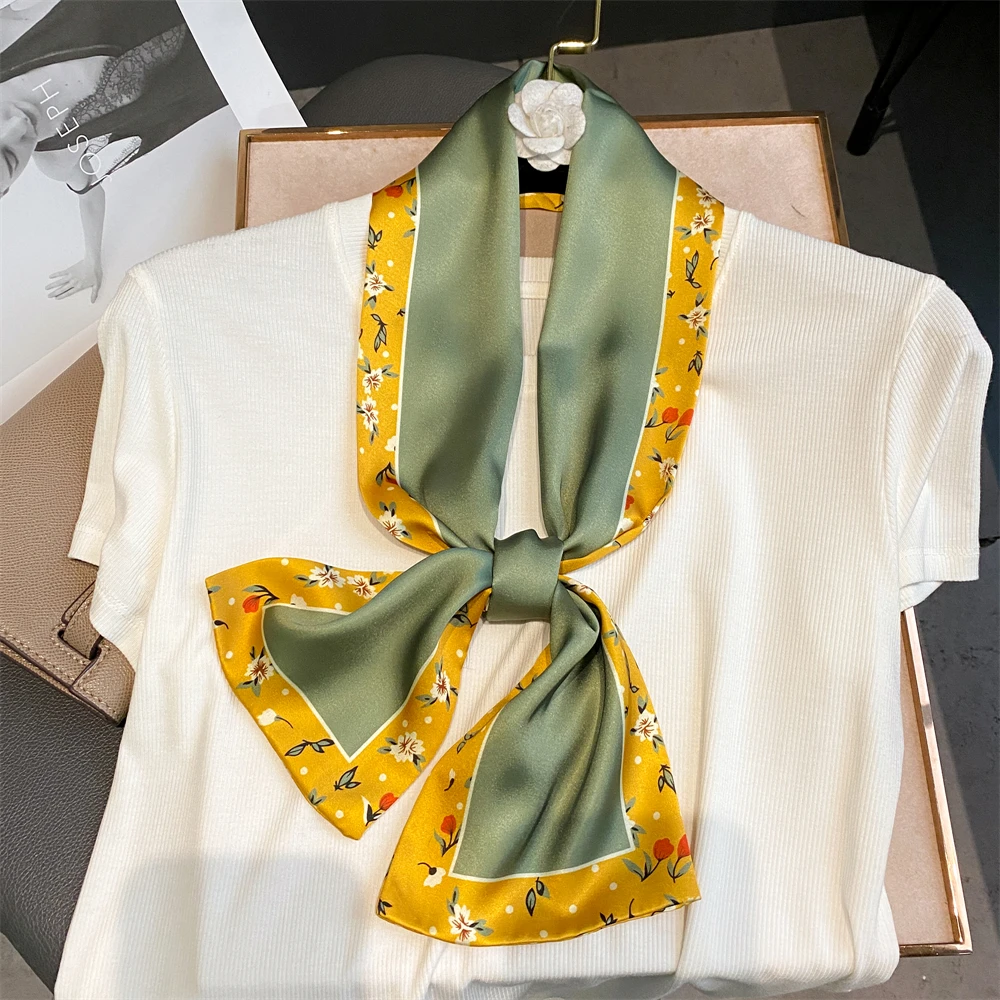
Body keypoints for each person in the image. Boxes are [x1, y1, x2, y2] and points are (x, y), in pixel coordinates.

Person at [0, 0, 224, 301]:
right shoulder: (58, 158)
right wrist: (91, 261)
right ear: (9, 187)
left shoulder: (5, 36)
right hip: (232, 48)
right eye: (10, 157)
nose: (17, 125)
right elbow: (89, 196)